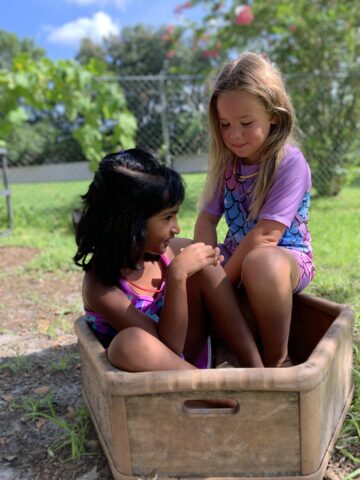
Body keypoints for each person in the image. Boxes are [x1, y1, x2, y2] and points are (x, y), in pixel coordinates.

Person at [74, 148, 263, 372]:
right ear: (129, 222)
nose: (176, 228)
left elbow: (182, 345)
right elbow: (167, 349)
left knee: (205, 265)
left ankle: (259, 372)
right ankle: (214, 394)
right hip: (158, 372)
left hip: (189, 359)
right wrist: (176, 275)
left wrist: (204, 263)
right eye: (167, 217)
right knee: (129, 343)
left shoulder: (169, 251)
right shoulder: (100, 287)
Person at [194, 52, 315, 368]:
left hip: (283, 259)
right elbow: (207, 218)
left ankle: (277, 359)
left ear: (274, 115)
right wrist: (204, 258)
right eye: (225, 124)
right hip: (233, 257)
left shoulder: (289, 163)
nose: (234, 135)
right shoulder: (227, 164)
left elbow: (265, 237)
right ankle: (198, 350)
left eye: (246, 123)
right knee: (179, 252)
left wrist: (219, 284)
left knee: (261, 264)